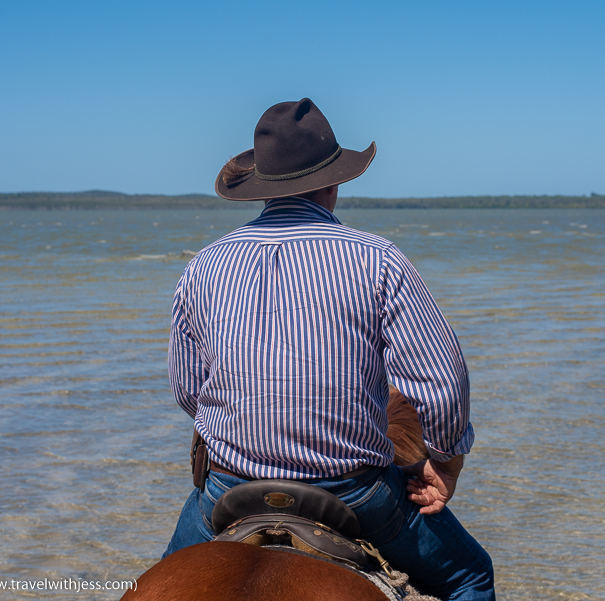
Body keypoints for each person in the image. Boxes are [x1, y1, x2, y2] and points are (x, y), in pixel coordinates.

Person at [163, 98, 495, 600]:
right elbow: (441, 384)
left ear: (263, 187)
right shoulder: (379, 260)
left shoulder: (203, 266)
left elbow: (189, 390)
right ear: (335, 182)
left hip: (228, 489)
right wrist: (446, 459)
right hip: (352, 490)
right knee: (471, 576)